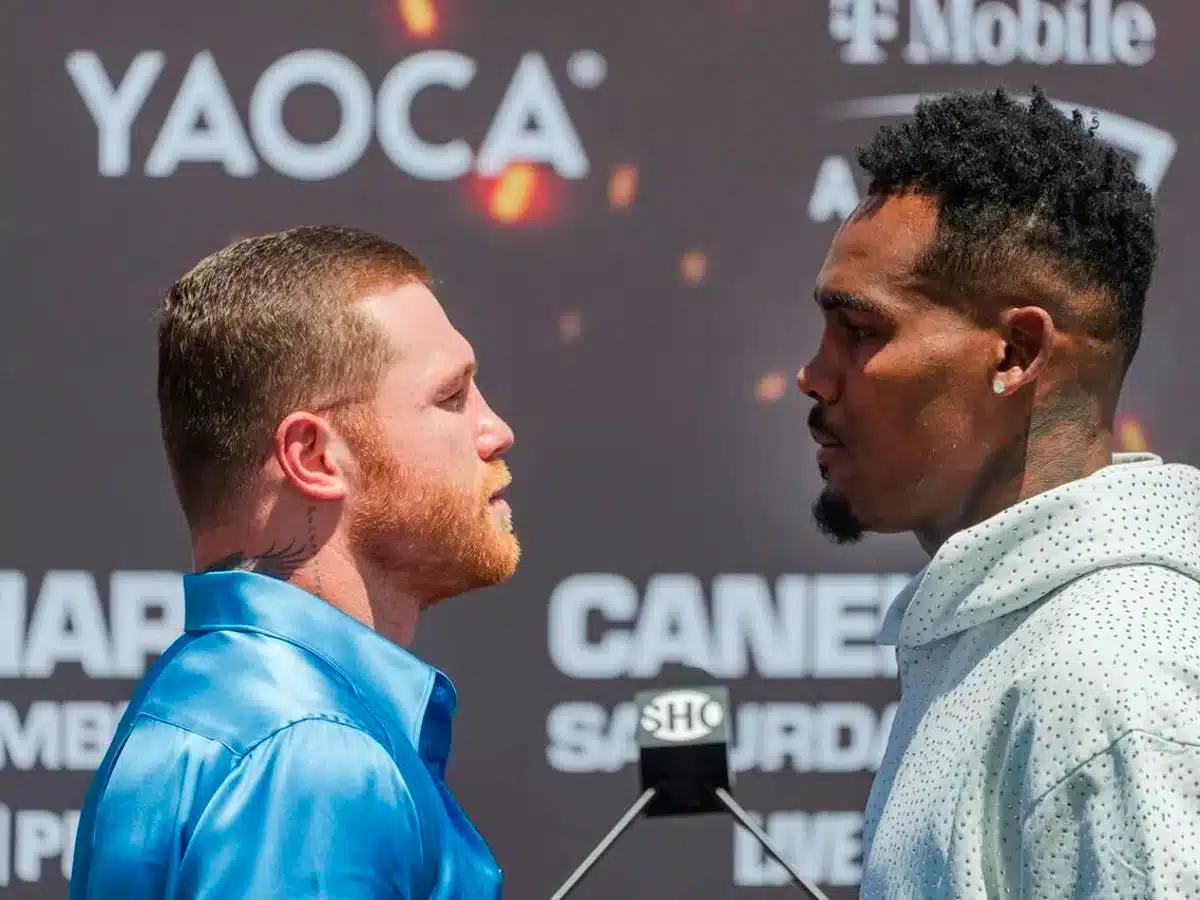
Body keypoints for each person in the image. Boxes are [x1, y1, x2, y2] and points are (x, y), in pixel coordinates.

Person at [798, 87, 1200, 897]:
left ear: (1016, 352)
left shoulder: (1109, 676)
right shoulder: (1015, 636)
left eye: (862, 331)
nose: (813, 376)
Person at [70, 225, 518, 898]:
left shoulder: (219, 699)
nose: (496, 430)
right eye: (451, 398)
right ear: (313, 457)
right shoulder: (311, 750)